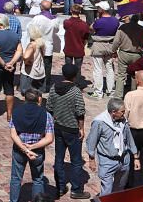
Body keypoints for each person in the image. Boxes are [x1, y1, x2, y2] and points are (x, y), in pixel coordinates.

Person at [45, 63, 88, 199]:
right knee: (76, 161)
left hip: (58, 127)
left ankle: (60, 187)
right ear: (75, 76)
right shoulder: (75, 91)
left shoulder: (53, 88)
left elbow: (49, 107)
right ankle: (76, 190)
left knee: (59, 158)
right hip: (72, 129)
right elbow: (80, 112)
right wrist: (81, 128)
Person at [8, 89, 53, 202]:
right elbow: (49, 138)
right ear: (39, 99)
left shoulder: (16, 112)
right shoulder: (46, 115)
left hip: (19, 150)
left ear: (24, 99)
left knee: (16, 179)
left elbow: (13, 135)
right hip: (37, 151)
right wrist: (31, 148)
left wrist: (25, 149)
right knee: (38, 179)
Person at [85, 98, 136, 195]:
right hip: (107, 161)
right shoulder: (99, 122)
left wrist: (135, 155)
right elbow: (91, 141)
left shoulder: (123, 120)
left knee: (120, 187)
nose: (124, 114)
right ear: (113, 112)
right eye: (122, 112)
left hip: (124, 159)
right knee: (107, 190)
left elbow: (129, 137)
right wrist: (91, 159)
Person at [0, 14, 20, 121]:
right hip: (10, 67)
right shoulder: (15, 35)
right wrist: (11, 63)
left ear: (0, 24)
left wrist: (3, 64)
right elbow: (19, 50)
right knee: (9, 89)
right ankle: (9, 114)